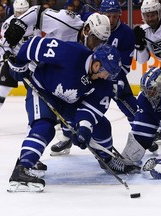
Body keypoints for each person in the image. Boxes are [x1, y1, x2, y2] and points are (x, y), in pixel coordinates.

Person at [6, 37, 136, 192]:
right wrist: (18, 64)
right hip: (43, 90)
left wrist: (84, 129)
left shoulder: (104, 82)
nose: (106, 77)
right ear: (96, 64)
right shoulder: (71, 53)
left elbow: (91, 108)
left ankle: (106, 160)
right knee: (44, 127)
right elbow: (33, 45)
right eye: (106, 72)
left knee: (102, 126)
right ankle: (23, 168)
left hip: (71, 103)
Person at [0, 3, 110, 127]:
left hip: (51, 70)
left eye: (102, 42)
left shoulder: (93, 51)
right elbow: (36, 12)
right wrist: (19, 24)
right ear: (87, 30)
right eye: (96, 39)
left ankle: (63, 131)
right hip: (36, 64)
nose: (97, 46)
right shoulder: (66, 21)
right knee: (11, 92)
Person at [49, 0, 140, 155]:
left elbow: (124, 65)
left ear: (120, 15)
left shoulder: (126, 34)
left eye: (114, 16)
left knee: (126, 98)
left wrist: (112, 80)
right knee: (71, 100)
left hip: (111, 74)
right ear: (101, 14)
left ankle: (141, 133)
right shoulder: (90, 19)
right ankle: (67, 137)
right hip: (87, 70)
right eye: (108, 16)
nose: (111, 20)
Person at [0, 0, 32, 128]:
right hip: (12, 60)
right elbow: (3, 44)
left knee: (34, 92)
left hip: (30, 61)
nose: (21, 14)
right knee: (1, 88)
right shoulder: (8, 24)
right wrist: (7, 54)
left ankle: (36, 119)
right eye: (18, 12)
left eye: (23, 12)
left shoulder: (35, 21)